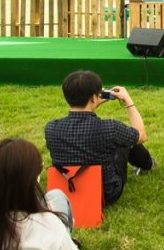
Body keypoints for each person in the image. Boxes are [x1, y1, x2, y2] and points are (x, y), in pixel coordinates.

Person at [44, 71, 154, 206]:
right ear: (93, 98)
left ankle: (147, 164)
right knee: (126, 139)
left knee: (121, 137)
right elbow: (141, 135)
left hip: (65, 192)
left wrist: (93, 103)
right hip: (106, 193)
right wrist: (128, 101)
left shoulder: (51, 128)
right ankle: (148, 164)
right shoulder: (111, 128)